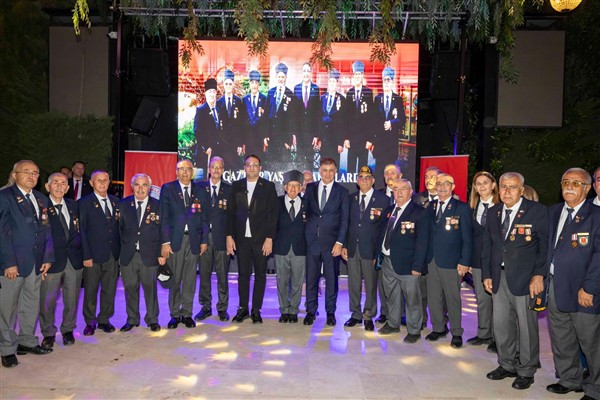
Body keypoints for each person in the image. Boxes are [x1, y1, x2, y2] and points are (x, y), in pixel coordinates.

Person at [482, 172, 549, 391]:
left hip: (525, 279)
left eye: (512, 187)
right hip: (498, 277)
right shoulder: (493, 212)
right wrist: (487, 275)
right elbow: (488, 246)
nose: (507, 191)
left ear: (521, 190)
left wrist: (539, 275)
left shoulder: (537, 211)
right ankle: (507, 364)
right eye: (503, 187)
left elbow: (544, 247)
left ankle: (527, 370)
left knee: (527, 327)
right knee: (501, 325)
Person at [546, 168, 600, 399]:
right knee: (561, 336)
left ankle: (596, 388)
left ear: (587, 189)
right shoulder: (553, 211)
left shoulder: (596, 215)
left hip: (583, 291)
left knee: (591, 342)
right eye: (565, 182)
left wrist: (589, 288)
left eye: (576, 183)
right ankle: (569, 379)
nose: (569, 186)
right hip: (554, 285)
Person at [0, 160, 54, 368]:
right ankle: (7, 349)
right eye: (26, 172)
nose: (32, 176)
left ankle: (27, 341)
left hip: (35, 263)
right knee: (7, 308)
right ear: (15, 175)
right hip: (13, 264)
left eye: (35, 173)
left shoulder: (41, 198)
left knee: (30, 304)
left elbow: (46, 230)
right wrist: (8, 262)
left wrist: (47, 257)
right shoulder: (5, 196)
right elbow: (2, 233)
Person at [226, 154, 279, 323]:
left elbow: (273, 215)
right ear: (244, 167)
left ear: (260, 168)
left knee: (260, 274)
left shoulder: (268, 186)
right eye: (248, 165)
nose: (252, 168)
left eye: (255, 165)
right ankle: (243, 308)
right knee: (243, 274)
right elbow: (230, 213)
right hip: (241, 239)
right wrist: (229, 236)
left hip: (261, 239)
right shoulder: (237, 186)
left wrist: (269, 238)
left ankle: (256, 309)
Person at [376, 178, 430, 343]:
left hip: (409, 264)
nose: (399, 192)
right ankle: (393, 323)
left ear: (411, 192)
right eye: (396, 189)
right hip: (387, 261)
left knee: (412, 299)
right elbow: (382, 234)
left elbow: (423, 242)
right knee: (391, 295)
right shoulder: (389, 210)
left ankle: (414, 330)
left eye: (403, 189)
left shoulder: (419, 212)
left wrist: (417, 265)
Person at [159, 159, 209, 329]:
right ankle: (174, 315)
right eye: (182, 169)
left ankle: (187, 314)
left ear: (192, 172)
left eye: (188, 169)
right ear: (176, 172)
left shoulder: (200, 190)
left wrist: (204, 240)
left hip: (194, 241)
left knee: (189, 280)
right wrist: (165, 242)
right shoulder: (168, 189)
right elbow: (164, 217)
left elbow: (204, 218)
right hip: (174, 241)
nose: (185, 172)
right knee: (175, 279)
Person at [425, 173, 473, 349]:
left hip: (452, 262)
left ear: (453, 187)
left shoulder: (462, 208)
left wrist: (465, 261)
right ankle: (438, 328)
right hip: (431, 261)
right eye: (439, 184)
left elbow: (468, 238)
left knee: (452, 299)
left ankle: (456, 332)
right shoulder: (430, 206)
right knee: (434, 298)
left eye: (446, 184)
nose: (442, 187)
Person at [39, 172, 83, 349]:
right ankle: (48, 332)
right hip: (50, 261)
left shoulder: (73, 205)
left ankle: (67, 329)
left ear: (67, 188)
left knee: (71, 298)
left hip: (73, 260)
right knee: (47, 300)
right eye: (55, 182)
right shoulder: (40, 206)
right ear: (47, 186)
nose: (59, 186)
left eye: (63, 183)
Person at [304, 157, 349, 326]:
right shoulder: (310, 188)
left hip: (332, 244)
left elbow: (344, 220)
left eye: (331, 170)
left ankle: (330, 312)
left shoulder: (342, 192)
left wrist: (340, 242)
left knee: (331, 280)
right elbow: (305, 214)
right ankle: (311, 311)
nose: (328, 173)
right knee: (311, 279)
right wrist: (307, 236)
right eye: (325, 170)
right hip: (312, 242)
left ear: (335, 172)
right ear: (320, 171)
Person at [342, 166, 388, 331]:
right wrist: (344, 245)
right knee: (353, 283)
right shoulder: (351, 198)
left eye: (368, 178)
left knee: (370, 285)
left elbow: (384, 228)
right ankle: (355, 314)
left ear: (373, 180)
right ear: (357, 181)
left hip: (371, 250)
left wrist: (378, 251)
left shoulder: (383, 199)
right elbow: (345, 224)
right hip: (352, 248)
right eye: (361, 177)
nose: (364, 180)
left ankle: (369, 315)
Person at [118, 173, 164, 332]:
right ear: (132, 187)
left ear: (149, 188)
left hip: (150, 254)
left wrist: (162, 253)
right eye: (137, 185)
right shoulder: (123, 204)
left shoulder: (158, 205)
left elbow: (163, 230)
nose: (140, 188)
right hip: (128, 255)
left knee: (150, 289)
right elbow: (118, 230)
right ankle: (132, 319)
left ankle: (152, 319)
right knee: (130, 288)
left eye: (144, 185)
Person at [78, 169, 120, 336]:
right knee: (90, 291)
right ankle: (90, 322)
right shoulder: (84, 203)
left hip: (112, 255)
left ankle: (104, 320)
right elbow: (82, 231)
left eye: (105, 180)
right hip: (92, 256)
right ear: (91, 183)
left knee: (109, 290)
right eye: (98, 180)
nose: (102, 183)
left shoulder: (116, 202)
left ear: (109, 182)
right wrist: (86, 255)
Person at [195, 157, 232, 322]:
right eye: (213, 167)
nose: (216, 170)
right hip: (203, 238)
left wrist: (231, 238)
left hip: (222, 238)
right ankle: (205, 307)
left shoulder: (229, 189)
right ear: (209, 169)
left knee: (222, 275)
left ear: (223, 170)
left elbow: (233, 216)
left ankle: (222, 308)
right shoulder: (198, 187)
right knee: (204, 274)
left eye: (219, 167)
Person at [466, 171, 499, 353]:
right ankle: (484, 333)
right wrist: (469, 260)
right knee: (482, 299)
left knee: (498, 300)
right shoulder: (472, 207)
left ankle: (498, 337)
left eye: (485, 182)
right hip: (478, 259)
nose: (482, 186)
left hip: (498, 260)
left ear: (493, 185)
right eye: (478, 183)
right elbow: (469, 236)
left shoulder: (502, 206)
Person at [274, 170, 306, 323]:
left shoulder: (307, 204)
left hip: (300, 248)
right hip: (281, 248)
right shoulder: (276, 202)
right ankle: (284, 310)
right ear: (285, 187)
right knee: (281, 281)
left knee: (297, 281)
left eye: (296, 186)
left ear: (301, 188)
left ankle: (293, 310)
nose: (293, 189)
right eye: (290, 185)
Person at [375, 163, 402, 324]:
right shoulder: (377, 195)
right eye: (387, 173)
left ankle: (401, 314)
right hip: (382, 250)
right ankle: (385, 312)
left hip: (401, 250)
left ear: (400, 175)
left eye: (393, 173)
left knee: (402, 285)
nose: (390, 176)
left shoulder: (410, 196)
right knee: (383, 284)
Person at [344, 60, 374, 175]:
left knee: (363, 171)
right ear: (353, 76)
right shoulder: (349, 93)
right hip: (351, 139)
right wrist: (346, 138)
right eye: (355, 74)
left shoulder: (368, 92)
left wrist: (370, 139)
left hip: (364, 139)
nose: (357, 76)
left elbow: (371, 118)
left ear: (362, 76)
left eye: (359, 74)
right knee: (350, 170)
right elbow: (346, 118)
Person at [373, 66, 405, 171]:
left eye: (388, 80)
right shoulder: (377, 99)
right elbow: (373, 120)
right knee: (379, 172)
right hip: (379, 145)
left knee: (390, 172)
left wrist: (392, 123)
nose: (386, 82)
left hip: (391, 144)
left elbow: (402, 119)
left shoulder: (398, 99)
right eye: (384, 80)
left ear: (392, 82)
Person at [265, 63, 296, 165]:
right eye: (279, 77)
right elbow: (266, 116)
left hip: (284, 140)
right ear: (276, 77)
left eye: (283, 77)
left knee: (283, 165)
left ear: (286, 77)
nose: (280, 79)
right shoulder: (270, 92)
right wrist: (265, 135)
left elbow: (291, 119)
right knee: (271, 165)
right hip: (271, 137)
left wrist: (288, 141)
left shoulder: (290, 94)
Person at [293, 63, 321, 169]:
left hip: (311, 131)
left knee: (309, 159)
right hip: (299, 131)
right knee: (299, 158)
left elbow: (318, 113)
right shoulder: (296, 88)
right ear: (302, 72)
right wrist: (293, 134)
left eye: (308, 71)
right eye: (304, 71)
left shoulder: (316, 89)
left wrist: (316, 135)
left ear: (311, 73)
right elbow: (294, 113)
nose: (306, 73)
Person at [194, 78, 224, 172]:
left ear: (216, 93)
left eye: (213, 92)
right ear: (205, 93)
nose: (211, 94)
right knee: (204, 178)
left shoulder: (219, 110)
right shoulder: (201, 110)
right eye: (209, 92)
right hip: (205, 153)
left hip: (217, 153)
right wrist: (205, 147)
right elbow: (197, 131)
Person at [216, 69, 246, 167]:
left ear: (233, 85)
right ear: (223, 85)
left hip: (235, 143)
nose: (228, 86)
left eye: (230, 84)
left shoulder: (239, 101)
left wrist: (240, 144)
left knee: (234, 169)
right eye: (226, 84)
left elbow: (241, 124)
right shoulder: (218, 102)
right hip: (223, 143)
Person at [319, 69, 346, 169]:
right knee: (323, 165)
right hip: (324, 138)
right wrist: (319, 138)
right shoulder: (322, 98)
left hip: (335, 139)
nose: (331, 84)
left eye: (334, 81)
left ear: (337, 83)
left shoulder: (341, 99)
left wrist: (340, 143)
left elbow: (343, 123)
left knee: (334, 166)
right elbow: (319, 119)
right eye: (330, 81)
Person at [242, 70, 267, 159]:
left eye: (256, 83)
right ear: (249, 84)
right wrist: (243, 142)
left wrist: (265, 138)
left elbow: (266, 121)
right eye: (252, 83)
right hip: (248, 140)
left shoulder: (264, 99)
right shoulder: (244, 100)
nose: (254, 85)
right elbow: (242, 121)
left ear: (259, 84)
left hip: (260, 140)